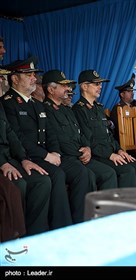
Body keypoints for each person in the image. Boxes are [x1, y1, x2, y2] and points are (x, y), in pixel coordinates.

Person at [1, 56, 73, 229]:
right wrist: (44, 155)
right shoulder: (8, 103)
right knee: (49, 177)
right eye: (29, 75)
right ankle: (42, 230)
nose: (34, 78)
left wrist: (54, 152)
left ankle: (59, 226)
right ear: (15, 78)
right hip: (27, 156)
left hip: (37, 156)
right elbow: (17, 137)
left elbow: (51, 133)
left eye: (34, 74)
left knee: (66, 172)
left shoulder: (37, 104)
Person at [72, 69, 136, 189]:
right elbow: (88, 140)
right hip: (97, 155)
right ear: (84, 86)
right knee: (127, 171)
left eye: (100, 84)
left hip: (110, 152)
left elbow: (109, 135)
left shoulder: (98, 108)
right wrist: (110, 155)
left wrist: (119, 150)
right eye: (96, 84)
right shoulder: (79, 109)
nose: (100, 87)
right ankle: (124, 206)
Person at [42, 69, 118, 194]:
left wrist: (87, 148)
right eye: (64, 85)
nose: (68, 88)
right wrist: (80, 153)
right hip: (67, 157)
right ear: (51, 90)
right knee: (94, 174)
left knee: (106, 173)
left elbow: (81, 133)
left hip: (80, 156)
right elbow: (59, 140)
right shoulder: (45, 110)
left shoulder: (67, 110)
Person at [0, 101, 51, 236]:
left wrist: (24, 159)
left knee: (42, 181)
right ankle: (16, 236)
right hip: (2, 161)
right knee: (17, 184)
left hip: (10, 158)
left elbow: (10, 133)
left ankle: (36, 233)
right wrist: (2, 163)